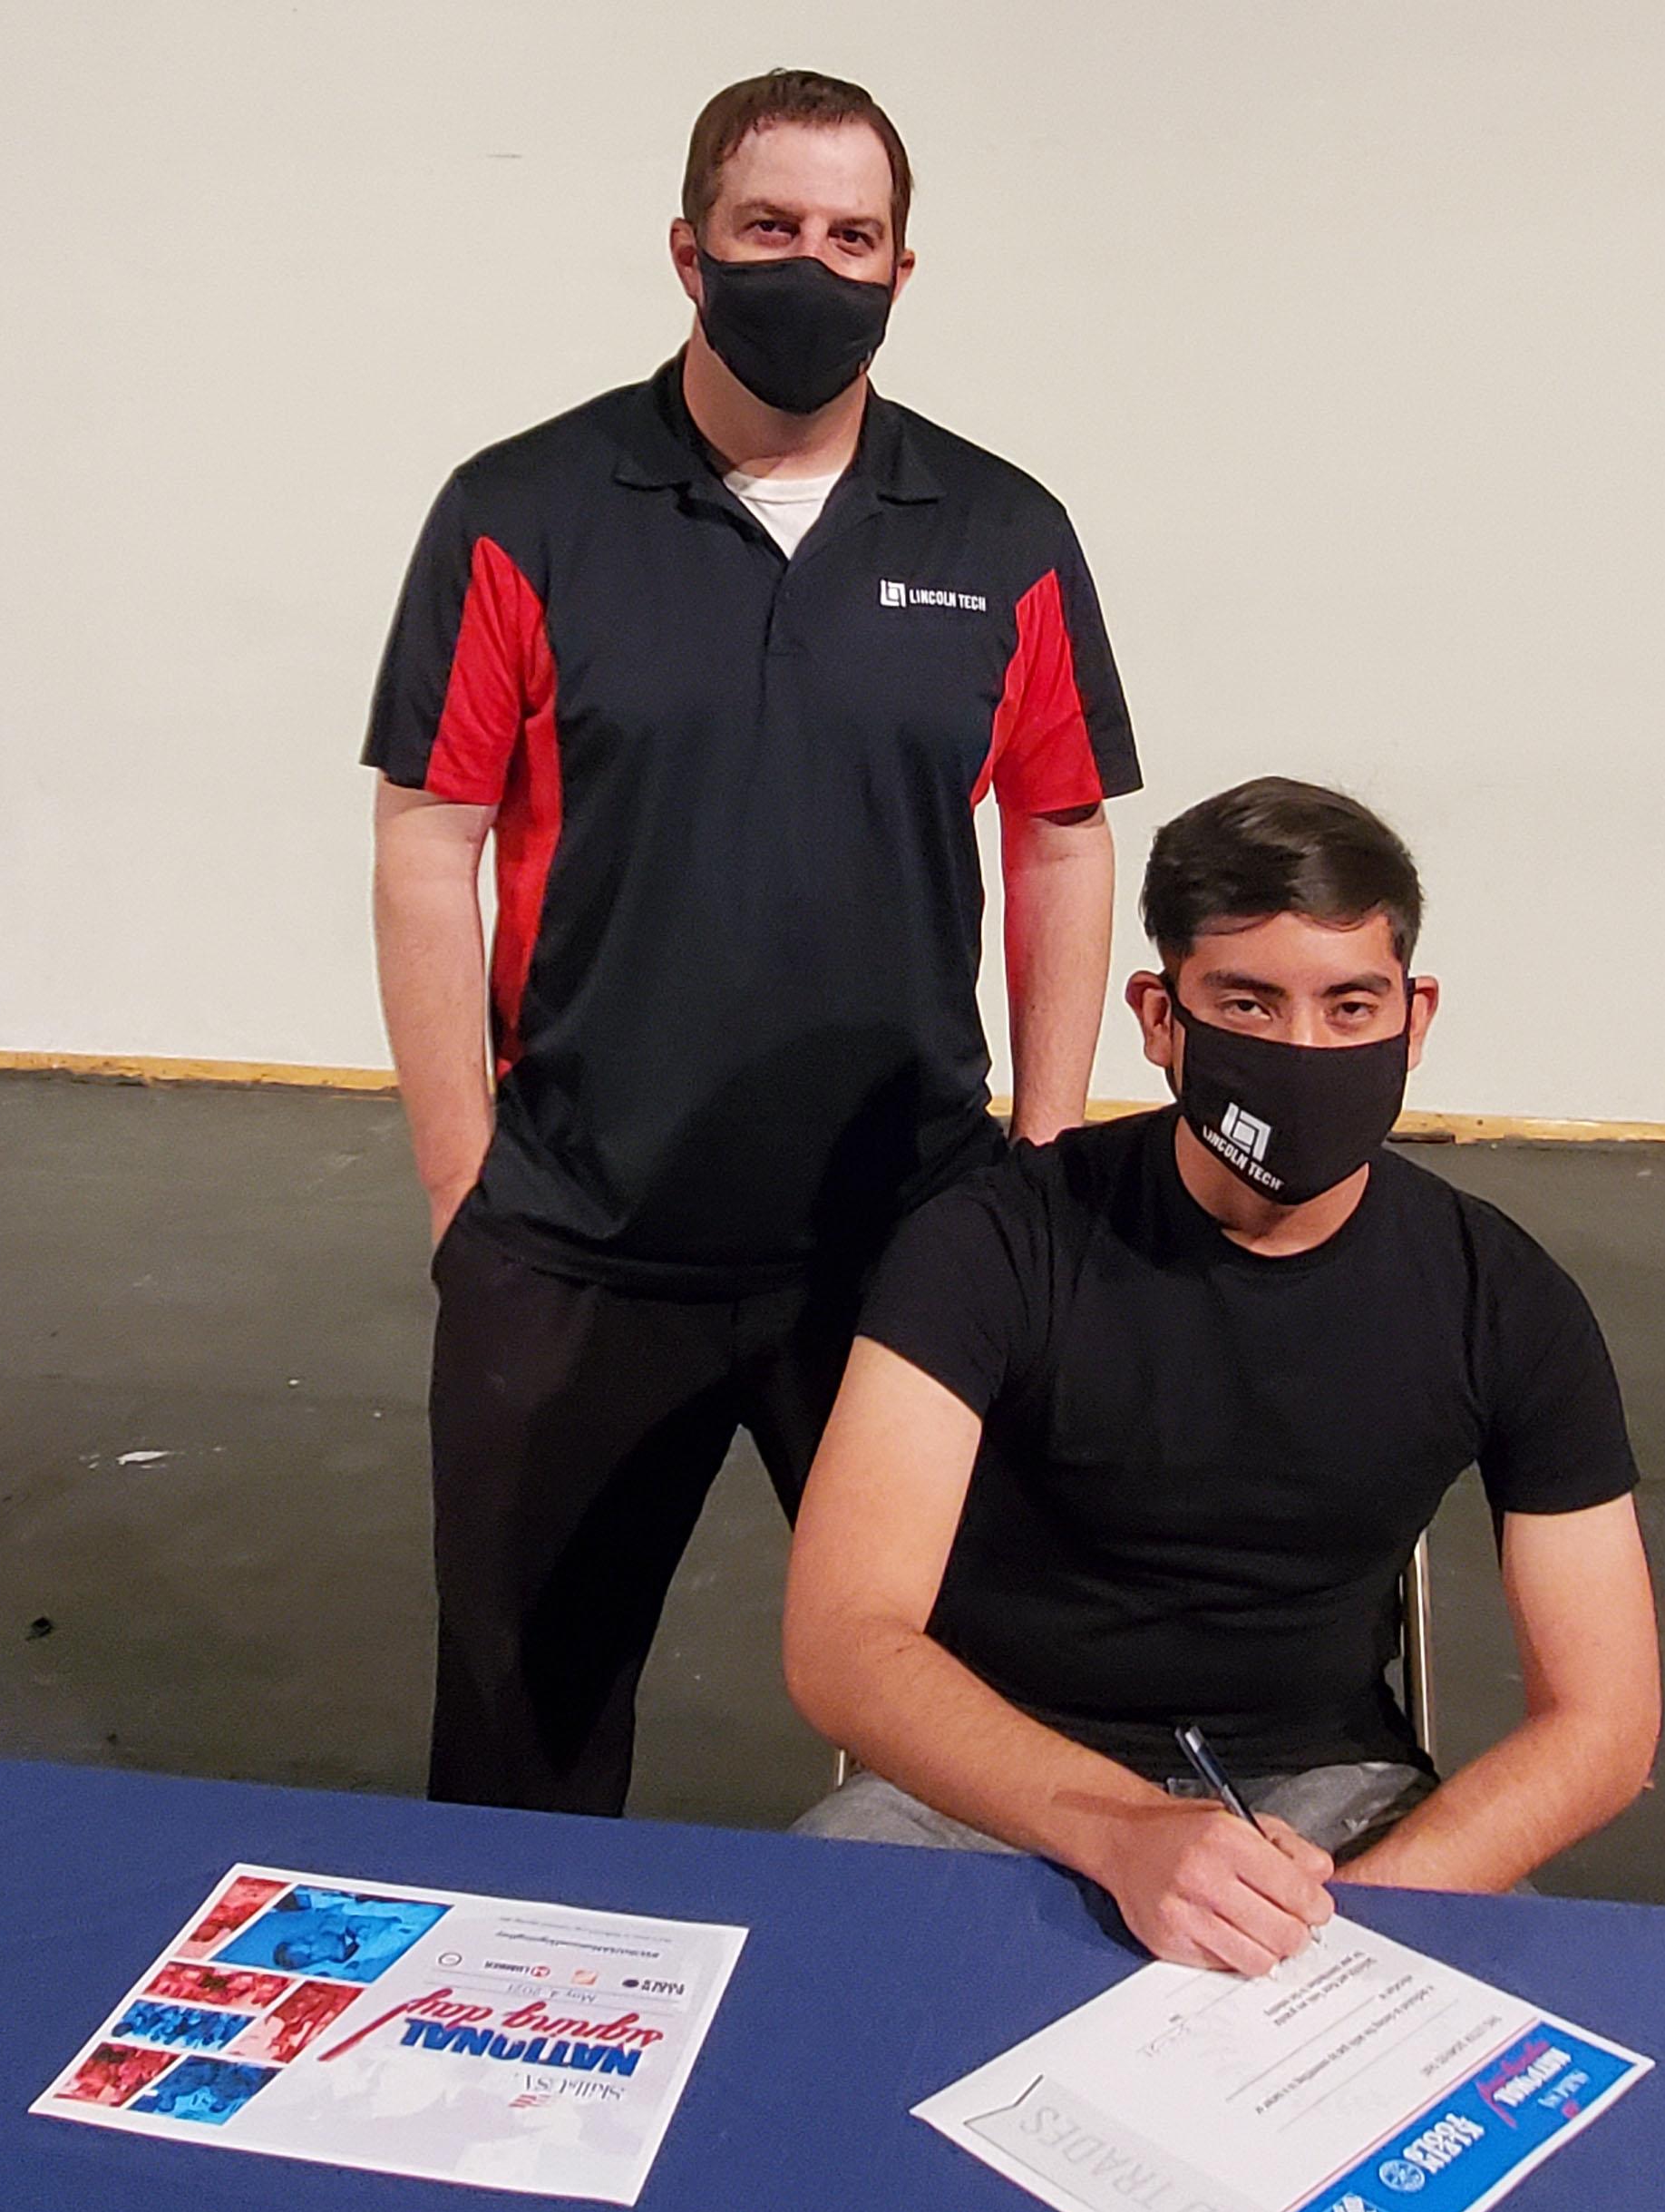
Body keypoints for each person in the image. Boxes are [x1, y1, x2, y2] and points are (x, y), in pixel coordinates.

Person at [364, 71, 1140, 1815]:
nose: (811, 263)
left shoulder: (1004, 531)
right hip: (579, 1238)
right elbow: (430, 837)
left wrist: (1041, 1152)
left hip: (903, 1240)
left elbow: (1063, 829)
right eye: (769, 226)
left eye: (851, 237)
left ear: (902, 269)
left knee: (971, 1724)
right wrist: (461, 1182)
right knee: (524, 1740)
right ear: (689, 250)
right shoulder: (522, 507)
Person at [785, 779, 1661, 1973]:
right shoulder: (990, 1246)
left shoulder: (1503, 1297)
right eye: (1248, 1002)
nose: (1303, 1051)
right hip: (991, 1780)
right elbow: (843, 1639)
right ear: (1160, 1018)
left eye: (1351, 1006)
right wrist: (1130, 1833)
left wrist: (1344, 1929)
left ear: (1415, 1016)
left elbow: (1604, 1722)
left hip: (1334, 1814)